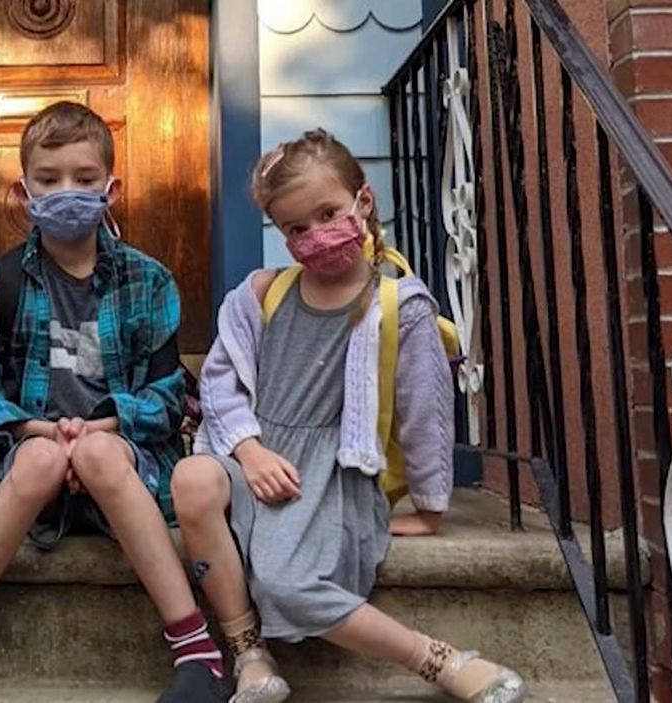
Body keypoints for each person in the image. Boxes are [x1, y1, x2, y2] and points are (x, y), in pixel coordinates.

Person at [171, 129, 525, 703]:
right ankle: (250, 654)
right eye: (295, 228)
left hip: (331, 473)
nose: (314, 235)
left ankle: (437, 658)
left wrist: (430, 506)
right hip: (256, 458)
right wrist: (249, 451)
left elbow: (426, 411)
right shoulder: (260, 295)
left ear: (362, 201)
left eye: (327, 213)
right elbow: (220, 383)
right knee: (191, 477)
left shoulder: (399, 307)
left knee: (287, 584)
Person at [0, 101, 231, 703]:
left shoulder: (149, 280)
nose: (66, 192)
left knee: (98, 455)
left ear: (111, 189)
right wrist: (44, 433)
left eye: (84, 178)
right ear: (24, 192)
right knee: (42, 460)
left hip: (124, 464)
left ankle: (197, 651)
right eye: (49, 180)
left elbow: (168, 397)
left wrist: (100, 429)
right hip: (35, 464)